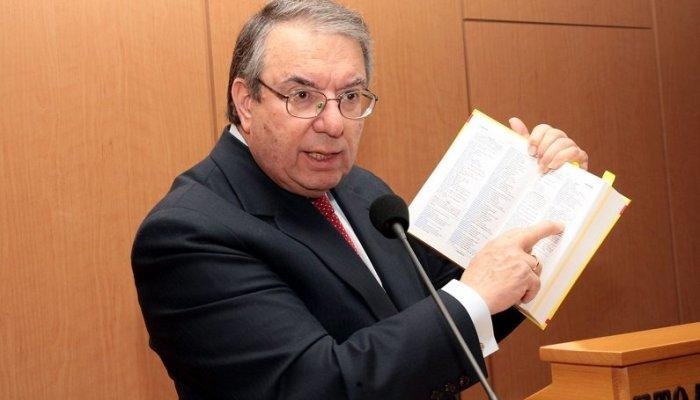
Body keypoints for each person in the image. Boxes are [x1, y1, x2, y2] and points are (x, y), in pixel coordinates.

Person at [131, 1, 589, 399]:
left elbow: (452, 301)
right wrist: (474, 295)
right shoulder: (188, 234)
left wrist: (551, 196)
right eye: (303, 96)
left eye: (350, 96)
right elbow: (316, 385)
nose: (334, 123)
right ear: (246, 101)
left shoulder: (360, 189)